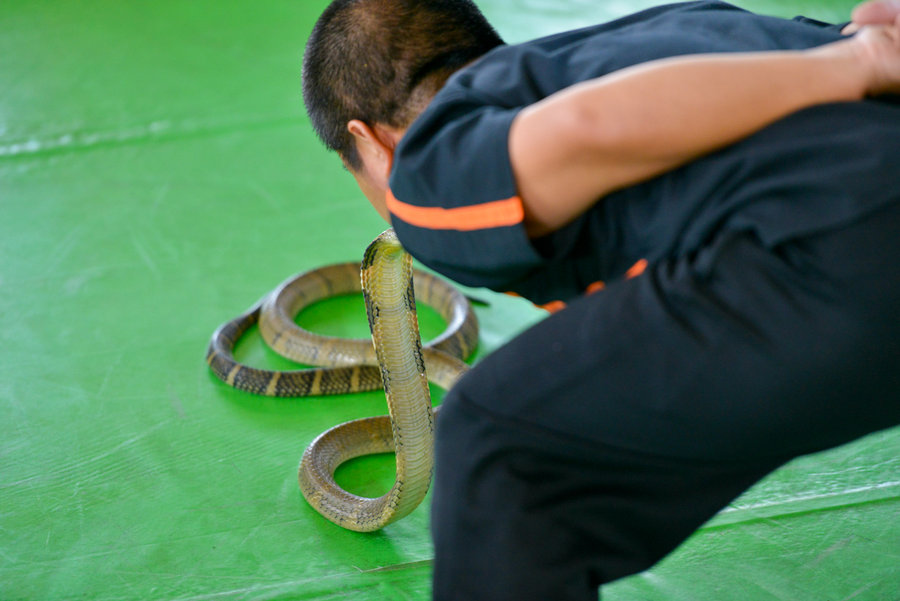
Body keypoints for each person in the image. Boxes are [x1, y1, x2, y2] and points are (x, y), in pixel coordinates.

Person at [302, 1, 900, 599]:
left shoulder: (429, 164)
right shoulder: (656, 34)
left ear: (371, 143)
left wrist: (861, 59)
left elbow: (589, 125)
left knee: (498, 449)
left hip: (845, 248)